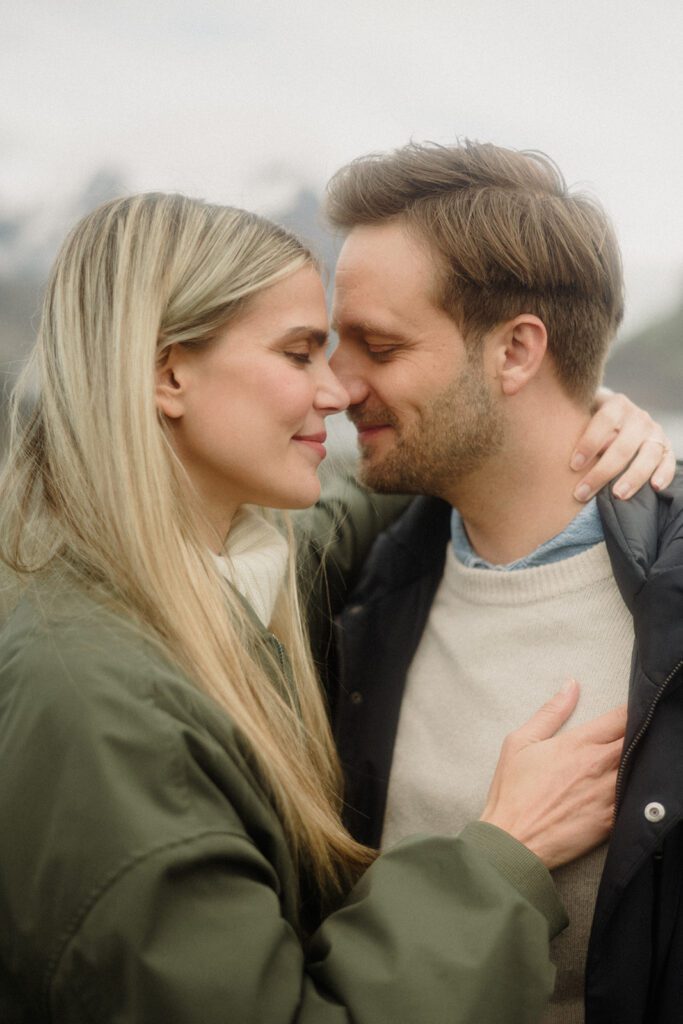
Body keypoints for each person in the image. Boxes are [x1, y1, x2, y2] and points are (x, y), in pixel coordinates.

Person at [0, 192, 642, 1023]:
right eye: (302, 353)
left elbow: (363, 498)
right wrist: (500, 857)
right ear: (167, 374)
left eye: (366, 348)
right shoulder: (96, 697)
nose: (337, 390)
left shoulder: (220, 573)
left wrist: (575, 417)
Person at [319, 140, 683, 1023]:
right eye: (335, 342)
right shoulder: (358, 589)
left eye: (379, 345)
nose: (335, 385)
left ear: (517, 350)